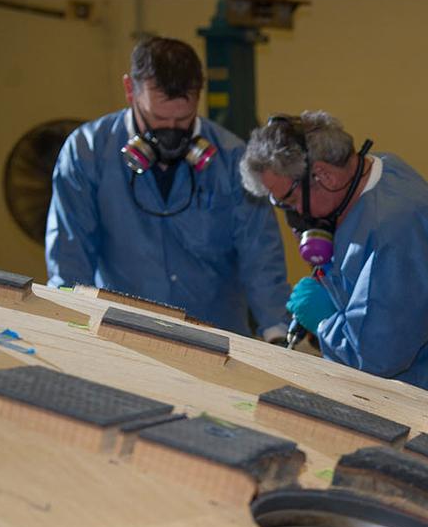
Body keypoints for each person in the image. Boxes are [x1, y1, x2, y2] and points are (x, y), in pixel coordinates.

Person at [240, 111, 428, 415]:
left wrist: (324, 322)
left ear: (323, 175)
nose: (293, 215)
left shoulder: (398, 228)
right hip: (413, 399)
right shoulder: (376, 172)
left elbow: (379, 357)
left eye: (289, 201)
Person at [46, 37, 289, 340]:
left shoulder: (232, 161)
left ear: (198, 97)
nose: (171, 132)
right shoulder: (87, 153)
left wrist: (277, 331)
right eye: (158, 119)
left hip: (216, 337)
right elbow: (69, 256)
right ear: (129, 90)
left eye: (183, 119)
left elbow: (261, 257)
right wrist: (69, 327)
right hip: (119, 335)